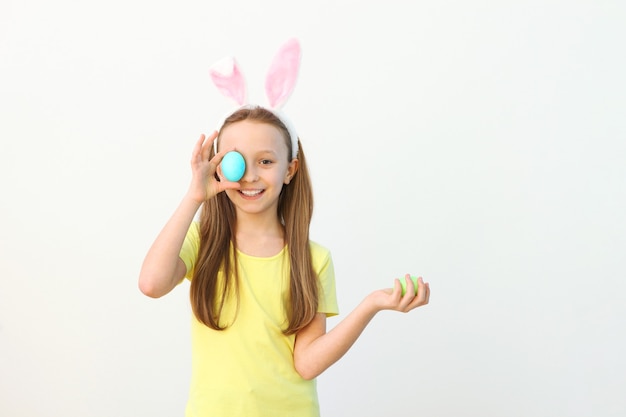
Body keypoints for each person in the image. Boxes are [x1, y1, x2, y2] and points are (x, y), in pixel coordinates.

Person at [138, 105, 430, 416]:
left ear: (289, 170)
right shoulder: (204, 242)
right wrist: (195, 196)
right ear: (219, 167)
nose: (250, 176)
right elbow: (151, 284)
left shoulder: (313, 259)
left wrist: (371, 304)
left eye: (265, 161)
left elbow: (306, 364)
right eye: (237, 161)